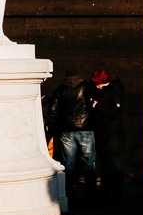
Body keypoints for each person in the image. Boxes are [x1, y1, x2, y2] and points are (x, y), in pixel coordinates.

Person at [48, 71, 96, 204]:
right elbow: (100, 98)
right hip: (86, 128)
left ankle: (69, 194)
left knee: (68, 164)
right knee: (89, 163)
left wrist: (61, 122)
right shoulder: (87, 87)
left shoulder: (60, 89)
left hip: (67, 129)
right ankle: (91, 195)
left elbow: (52, 111)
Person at [89, 70, 126, 204]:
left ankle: (115, 194)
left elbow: (115, 113)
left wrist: (97, 106)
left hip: (111, 136)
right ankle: (108, 193)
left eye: (97, 83)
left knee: (113, 166)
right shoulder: (111, 91)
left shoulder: (114, 92)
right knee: (107, 166)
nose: (96, 85)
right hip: (108, 135)